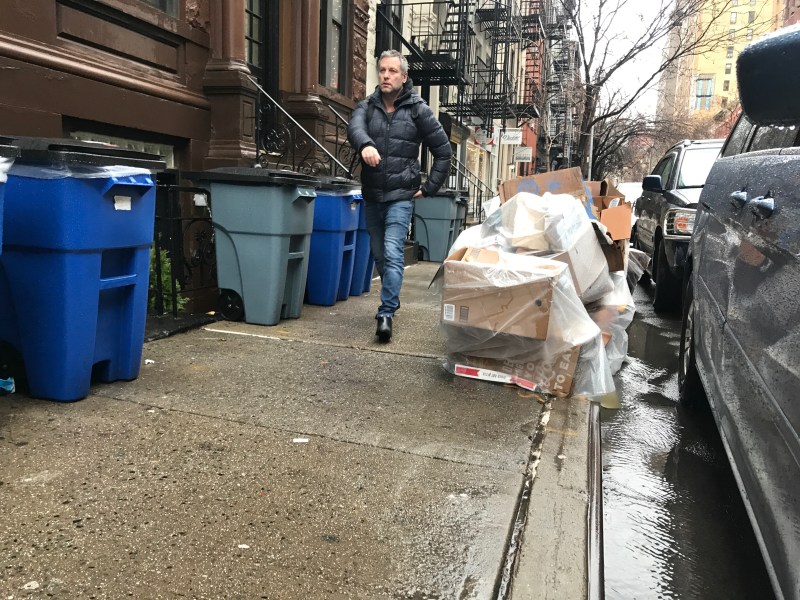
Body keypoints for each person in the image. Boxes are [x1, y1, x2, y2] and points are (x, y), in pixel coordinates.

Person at [347, 50, 452, 343]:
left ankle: (386, 313)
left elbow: (444, 151)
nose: (385, 76)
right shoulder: (367, 106)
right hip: (371, 195)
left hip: (401, 196)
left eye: (392, 71)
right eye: (382, 70)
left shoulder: (418, 109)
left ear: (404, 77)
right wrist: (365, 144)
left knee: (393, 253)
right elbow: (353, 127)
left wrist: (429, 187)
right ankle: (392, 298)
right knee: (380, 255)